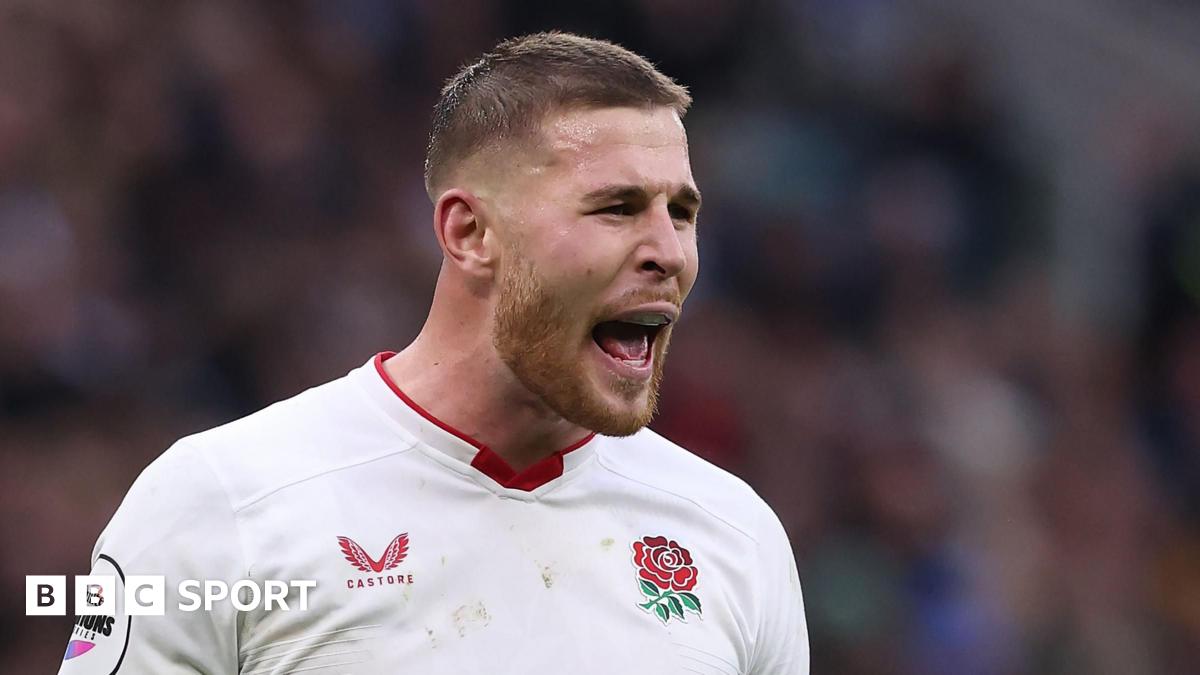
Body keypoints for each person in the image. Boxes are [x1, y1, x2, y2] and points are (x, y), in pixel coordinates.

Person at [58, 32, 809, 674]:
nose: (668, 253)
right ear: (470, 233)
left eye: (681, 212)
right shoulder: (217, 501)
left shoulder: (735, 536)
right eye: (617, 208)